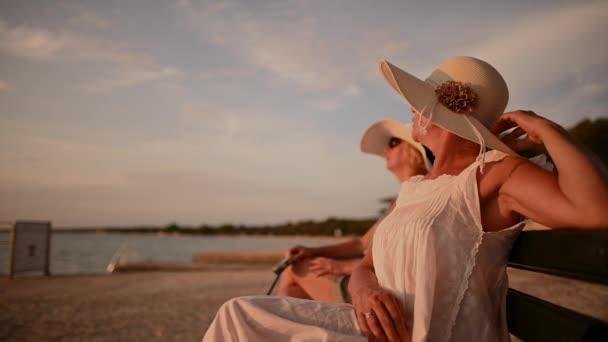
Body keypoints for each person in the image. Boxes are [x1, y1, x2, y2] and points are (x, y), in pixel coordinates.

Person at [203, 56, 608, 342]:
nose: (409, 110)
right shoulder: (416, 188)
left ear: (436, 113)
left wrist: (550, 131)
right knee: (238, 314)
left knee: (246, 323)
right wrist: (365, 293)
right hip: (377, 328)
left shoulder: (494, 173)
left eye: (416, 103)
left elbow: (596, 209)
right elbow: (365, 265)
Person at [277, 120, 431, 303]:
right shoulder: (399, 200)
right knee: (290, 293)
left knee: (293, 271)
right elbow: (360, 244)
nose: (385, 150)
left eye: (393, 143)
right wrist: (311, 251)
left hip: (372, 288)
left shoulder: (419, 196)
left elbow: (403, 261)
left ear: (414, 152)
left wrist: (342, 267)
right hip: (364, 277)